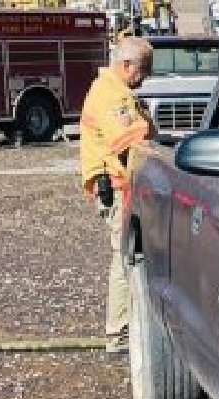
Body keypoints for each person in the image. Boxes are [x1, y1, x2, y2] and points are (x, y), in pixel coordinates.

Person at [79, 37, 155, 353]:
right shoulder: (111, 95)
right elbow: (128, 138)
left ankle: (123, 327)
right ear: (126, 66)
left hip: (118, 185)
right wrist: (148, 128)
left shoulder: (113, 91)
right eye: (142, 71)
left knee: (127, 256)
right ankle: (119, 332)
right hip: (117, 188)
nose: (145, 78)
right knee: (124, 259)